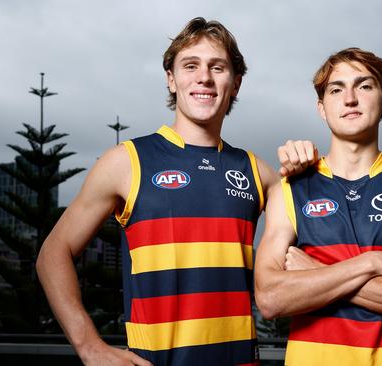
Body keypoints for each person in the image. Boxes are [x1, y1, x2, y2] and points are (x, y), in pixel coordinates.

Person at [37, 17, 278, 366]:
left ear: (236, 83)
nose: (204, 78)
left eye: (218, 67)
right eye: (190, 65)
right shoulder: (126, 162)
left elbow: (314, 245)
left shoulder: (260, 172)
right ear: (171, 79)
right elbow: (52, 254)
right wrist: (89, 346)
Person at [255, 48, 382, 365]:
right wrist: (373, 263)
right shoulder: (289, 190)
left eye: (364, 86)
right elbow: (270, 298)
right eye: (337, 89)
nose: (350, 98)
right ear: (322, 108)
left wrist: (318, 275)